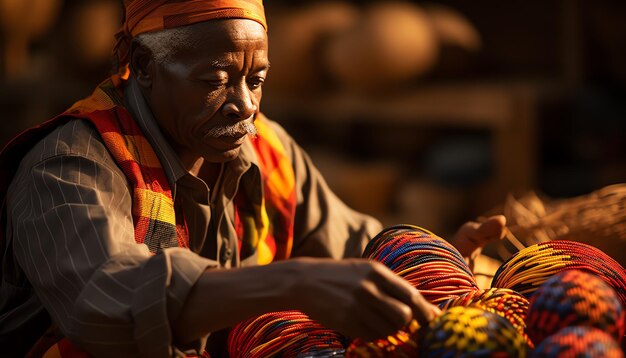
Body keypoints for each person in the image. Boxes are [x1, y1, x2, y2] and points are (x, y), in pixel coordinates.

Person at [0, 1, 506, 356]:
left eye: (256, 79)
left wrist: (428, 260)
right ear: (143, 66)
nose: (244, 104)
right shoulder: (69, 166)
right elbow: (111, 302)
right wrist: (294, 281)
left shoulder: (266, 150)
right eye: (215, 81)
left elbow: (354, 248)